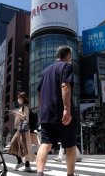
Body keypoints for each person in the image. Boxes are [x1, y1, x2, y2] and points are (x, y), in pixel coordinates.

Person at [36, 45, 78, 176]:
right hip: (62, 112)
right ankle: (70, 174)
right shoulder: (66, 66)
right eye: (70, 56)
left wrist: (42, 108)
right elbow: (65, 85)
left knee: (45, 143)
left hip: (46, 113)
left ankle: (39, 173)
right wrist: (67, 109)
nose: (70, 59)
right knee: (70, 145)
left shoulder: (45, 71)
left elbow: (39, 91)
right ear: (66, 55)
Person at [8, 92, 35, 172]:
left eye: (19, 97)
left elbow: (25, 118)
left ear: (23, 98)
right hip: (19, 130)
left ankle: (23, 163)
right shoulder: (21, 108)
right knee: (20, 147)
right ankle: (25, 165)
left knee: (19, 146)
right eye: (18, 97)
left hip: (23, 131)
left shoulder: (25, 107)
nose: (18, 99)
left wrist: (16, 113)